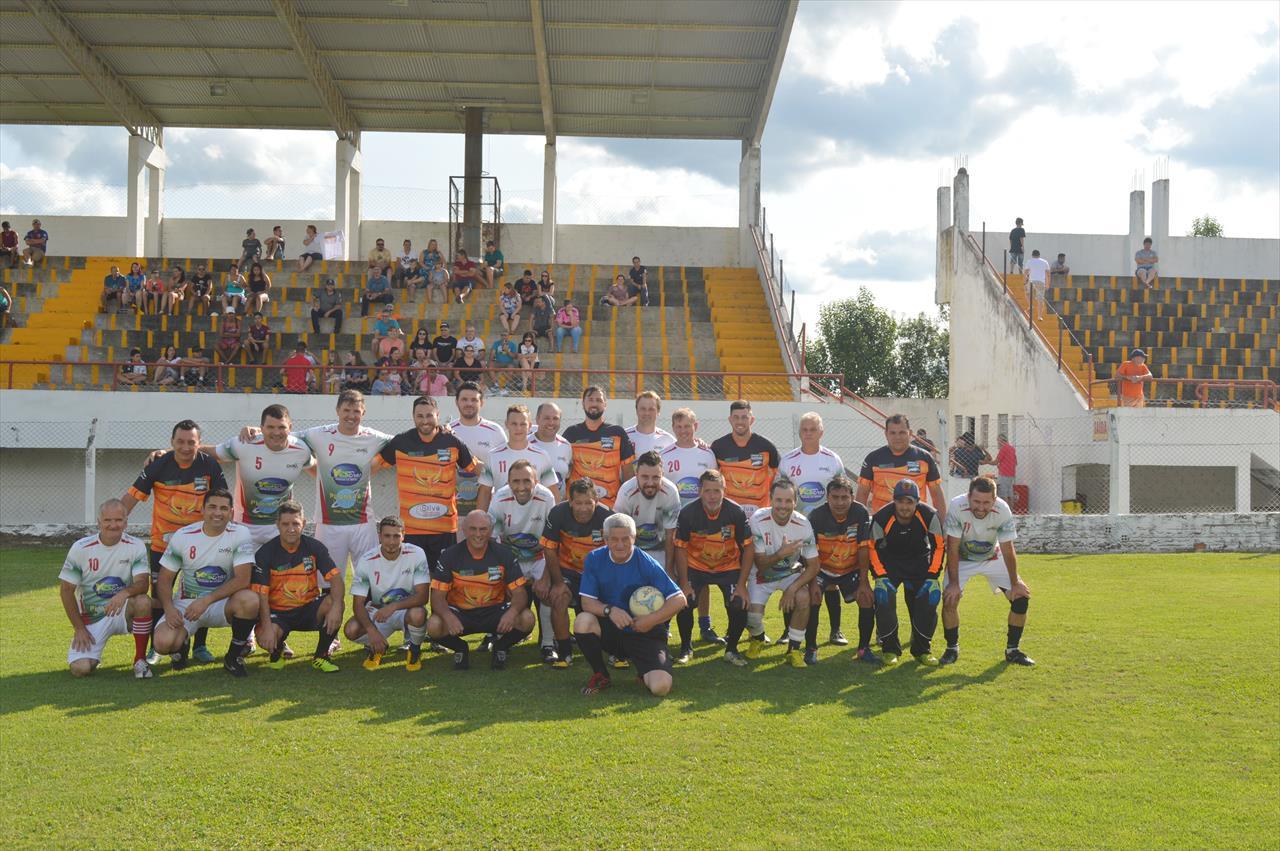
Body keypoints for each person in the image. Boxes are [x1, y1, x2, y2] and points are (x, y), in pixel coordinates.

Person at [121, 419, 229, 665]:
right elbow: (130, 498)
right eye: (180, 441)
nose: (185, 447)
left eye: (191, 442)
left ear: (199, 443)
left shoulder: (209, 465)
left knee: (202, 590)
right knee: (160, 595)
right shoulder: (158, 465)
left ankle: (199, 646)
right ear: (171, 442)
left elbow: (223, 501)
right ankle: (155, 648)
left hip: (201, 545)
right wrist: (111, 525)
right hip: (163, 544)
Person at [575, 513, 687, 696]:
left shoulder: (646, 563)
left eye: (625, 539)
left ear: (634, 538)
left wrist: (650, 620)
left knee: (661, 688)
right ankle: (601, 674)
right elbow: (587, 602)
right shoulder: (594, 559)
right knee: (583, 621)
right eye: (614, 539)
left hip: (644, 633)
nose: (620, 545)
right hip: (612, 630)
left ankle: (645, 672)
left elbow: (679, 599)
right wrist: (609, 610)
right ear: (605, 539)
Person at [153, 489, 260, 677]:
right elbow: (164, 578)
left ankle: (233, 657)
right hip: (187, 603)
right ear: (202, 510)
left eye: (223, 508)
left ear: (231, 513)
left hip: (221, 603)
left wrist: (207, 600)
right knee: (162, 643)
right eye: (212, 507)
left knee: (250, 600)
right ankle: (181, 646)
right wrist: (169, 609)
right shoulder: (183, 535)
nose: (217, 513)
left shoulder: (240, 533)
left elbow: (243, 579)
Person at [941, 476, 1035, 668]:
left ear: (994, 499)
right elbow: (952, 547)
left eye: (986, 502)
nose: (981, 507)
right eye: (976, 501)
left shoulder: (1002, 509)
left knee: (1021, 598)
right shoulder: (956, 506)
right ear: (969, 497)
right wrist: (954, 583)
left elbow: (1008, 548)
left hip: (993, 556)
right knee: (950, 598)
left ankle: (1013, 650)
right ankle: (952, 649)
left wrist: (1015, 582)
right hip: (962, 559)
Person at [377, 395, 475, 571]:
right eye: (420, 416)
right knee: (413, 582)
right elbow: (373, 466)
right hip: (412, 529)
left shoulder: (452, 441)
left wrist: (502, 469)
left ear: (437, 415)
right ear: (413, 417)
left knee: (442, 582)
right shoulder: (400, 442)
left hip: (444, 528)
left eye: (429, 415)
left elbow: (475, 468)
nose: (425, 421)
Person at [59, 499, 153, 678]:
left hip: (121, 611)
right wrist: (79, 628)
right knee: (81, 669)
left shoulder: (136, 545)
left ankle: (140, 660)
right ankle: (93, 654)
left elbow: (143, 583)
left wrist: (123, 593)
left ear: (126, 522)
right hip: (92, 618)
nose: (113, 525)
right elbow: (66, 590)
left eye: (118, 520)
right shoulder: (81, 548)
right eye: (108, 520)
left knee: (143, 601)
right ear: (99, 522)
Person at [428, 511, 533, 671]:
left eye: (483, 529)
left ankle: (501, 647)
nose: (478, 534)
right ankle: (460, 648)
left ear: (491, 530)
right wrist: (448, 616)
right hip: (461, 614)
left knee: (527, 618)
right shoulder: (449, 555)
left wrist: (511, 613)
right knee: (434, 625)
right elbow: (437, 596)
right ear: (464, 529)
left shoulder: (504, 553)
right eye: (473, 529)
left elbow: (520, 593)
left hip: (495, 612)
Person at [251, 501, 343, 673]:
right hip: (278, 613)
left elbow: (336, 579)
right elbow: (261, 595)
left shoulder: (314, 547)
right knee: (265, 637)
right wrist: (267, 626)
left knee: (333, 603)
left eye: (295, 523)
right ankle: (276, 652)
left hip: (308, 608)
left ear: (304, 524)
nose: (291, 529)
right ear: (278, 525)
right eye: (285, 524)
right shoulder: (265, 553)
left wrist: (337, 606)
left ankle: (321, 657)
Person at [672, 470, 753, 666]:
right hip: (696, 566)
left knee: (739, 602)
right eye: (708, 491)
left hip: (728, 566)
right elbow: (680, 549)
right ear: (700, 491)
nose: (712, 496)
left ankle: (731, 650)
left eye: (717, 490)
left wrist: (742, 585)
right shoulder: (688, 513)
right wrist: (684, 583)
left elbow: (748, 548)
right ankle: (685, 648)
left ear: (724, 491)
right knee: (685, 601)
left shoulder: (735, 512)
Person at [488, 460, 560, 664]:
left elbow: (553, 540)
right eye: (515, 481)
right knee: (501, 592)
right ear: (508, 482)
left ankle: (547, 643)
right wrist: (506, 576)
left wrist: (546, 577)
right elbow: (493, 540)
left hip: (540, 557)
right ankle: (503, 639)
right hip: (510, 558)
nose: (521, 487)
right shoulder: (500, 497)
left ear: (536, 481)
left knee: (548, 593)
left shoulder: (546, 497)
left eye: (526, 481)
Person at [214, 404, 314, 547]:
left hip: (280, 525)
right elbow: (210, 453)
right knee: (243, 569)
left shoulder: (301, 450)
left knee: (283, 569)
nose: (276, 432)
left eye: (281, 427)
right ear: (261, 428)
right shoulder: (244, 443)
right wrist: (171, 453)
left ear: (290, 428)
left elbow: (314, 466)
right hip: (245, 524)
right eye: (270, 427)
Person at [743, 480, 820, 667]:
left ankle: (794, 650)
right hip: (762, 576)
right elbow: (760, 564)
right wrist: (781, 554)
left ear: (795, 502)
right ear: (771, 500)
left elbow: (813, 565)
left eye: (788, 501)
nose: (783, 506)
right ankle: (758, 639)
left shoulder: (803, 524)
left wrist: (792, 589)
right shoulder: (757, 520)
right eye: (778, 500)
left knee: (803, 598)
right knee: (752, 615)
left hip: (789, 575)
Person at [868, 480, 945, 666]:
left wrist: (933, 576)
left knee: (931, 596)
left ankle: (922, 650)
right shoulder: (881, 517)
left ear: (917, 502)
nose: (905, 506)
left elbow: (939, 547)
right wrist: (880, 576)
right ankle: (890, 649)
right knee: (883, 595)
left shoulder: (929, 515)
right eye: (900, 501)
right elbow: (871, 548)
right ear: (894, 501)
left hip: (920, 562)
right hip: (890, 562)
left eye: (909, 502)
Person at [805, 475, 878, 662]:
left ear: (852, 498)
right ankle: (811, 648)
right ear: (827, 498)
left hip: (850, 569)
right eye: (835, 497)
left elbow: (863, 549)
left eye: (844, 497)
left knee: (866, 598)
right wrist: (812, 582)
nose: (840, 502)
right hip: (822, 569)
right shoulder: (816, 516)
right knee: (811, 598)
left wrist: (864, 582)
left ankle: (863, 649)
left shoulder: (860, 513)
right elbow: (810, 553)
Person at [541, 478, 613, 667]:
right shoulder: (557, 513)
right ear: (570, 501)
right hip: (568, 571)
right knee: (559, 597)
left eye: (588, 503)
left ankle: (616, 650)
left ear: (596, 501)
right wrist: (557, 583)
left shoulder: (607, 517)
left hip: (597, 574)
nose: (583, 508)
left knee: (614, 601)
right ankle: (565, 652)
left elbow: (616, 552)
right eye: (578, 503)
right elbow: (549, 549)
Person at [344, 517, 430, 670]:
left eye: (396, 536)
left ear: (403, 535)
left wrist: (393, 606)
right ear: (379, 536)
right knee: (351, 630)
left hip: (406, 611)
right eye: (387, 536)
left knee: (418, 614)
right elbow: (357, 604)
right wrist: (372, 632)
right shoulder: (367, 559)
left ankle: (414, 649)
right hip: (378, 611)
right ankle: (377, 646)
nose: (392, 541)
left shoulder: (417, 553)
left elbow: (423, 596)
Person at [855, 413, 947, 520]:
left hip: (918, 524)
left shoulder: (925, 458)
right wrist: (860, 524)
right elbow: (862, 494)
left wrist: (942, 524)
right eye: (892, 433)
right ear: (886, 434)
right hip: (882, 525)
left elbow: (936, 495)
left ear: (910, 433)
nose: (897, 437)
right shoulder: (873, 458)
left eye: (902, 432)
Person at [564, 385, 636, 509]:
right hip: (577, 506)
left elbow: (628, 473)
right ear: (583, 403)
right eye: (590, 399)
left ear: (605, 404)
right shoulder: (571, 433)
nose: (594, 403)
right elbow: (563, 468)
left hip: (609, 506)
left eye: (599, 400)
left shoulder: (617, 433)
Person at [477, 404, 560, 510]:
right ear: (506, 424)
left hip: (534, 522)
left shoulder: (541, 455)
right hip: (502, 520)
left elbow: (553, 492)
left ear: (529, 425)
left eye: (523, 424)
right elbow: (484, 492)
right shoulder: (493, 456)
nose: (518, 428)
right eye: (514, 424)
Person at [613, 450, 681, 577]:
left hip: (661, 550)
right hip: (634, 549)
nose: (650, 483)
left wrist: (668, 570)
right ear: (636, 474)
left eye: (656, 477)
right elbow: (620, 532)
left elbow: (670, 534)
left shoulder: (671, 491)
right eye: (645, 477)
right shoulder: (626, 491)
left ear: (663, 475)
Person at [447, 382, 509, 520]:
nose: (469, 403)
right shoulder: (447, 431)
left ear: (481, 403)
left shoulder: (495, 431)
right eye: (464, 399)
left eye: (474, 400)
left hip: (488, 505)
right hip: (454, 508)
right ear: (456, 402)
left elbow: (504, 468)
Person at [711, 400, 781, 511]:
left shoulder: (767, 446)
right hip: (729, 512)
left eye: (744, 417)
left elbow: (779, 477)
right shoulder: (718, 447)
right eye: (736, 417)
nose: (740, 422)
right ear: (730, 420)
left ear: (751, 420)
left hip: (760, 512)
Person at [780, 412, 846, 514]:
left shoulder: (833, 460)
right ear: (799, 433)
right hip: (796, 520)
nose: (808, 433)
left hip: (826, 521)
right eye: (804, 430)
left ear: (821, 432)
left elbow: (844, 491)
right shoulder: (787, 461)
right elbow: (779, 493)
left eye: (813, 429)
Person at [661, 407, 717, 507]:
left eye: (687, 426)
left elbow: (715, 485)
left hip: (702, 512)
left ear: (695, 426)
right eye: (679, 426)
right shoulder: (664, 456)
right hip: (674, 512)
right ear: (673, 428)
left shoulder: (708, 454)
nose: (683, 431)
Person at [529, 401, 574, 487]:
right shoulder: (525, 444)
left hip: (559, 500)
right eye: (547, 418)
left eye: (555, 418)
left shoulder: (566, 446)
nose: (551, 422)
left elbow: (568, 476)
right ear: (538, 419)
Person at [625, 390, 676, 457]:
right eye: (643, 409)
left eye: (651, 409)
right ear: (637, 410)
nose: (647, 413)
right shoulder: (625, 436)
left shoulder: (668, 440)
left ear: (658, 412)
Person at [1025, 249, 1051, 320]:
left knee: (1027, 294)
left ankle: (1031, 305)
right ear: (1039, 255)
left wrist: (1025, 281)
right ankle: (1039, 316)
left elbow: (1026, 272)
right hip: (1041, 282)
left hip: (1031, 281)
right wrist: (1048, 284)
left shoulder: (1029, 261)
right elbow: (1048, 274)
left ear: (1032, 255)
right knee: (1040, 300)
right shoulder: (1044, 262)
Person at [995, 434, 1018, 502]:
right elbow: (1015, 462)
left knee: (1003, 494)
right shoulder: (1012, 448)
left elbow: (996, 461)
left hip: (1004, 474)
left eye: (998, 440)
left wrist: (986, 462)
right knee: (1010, 494)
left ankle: (1005, 510)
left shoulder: (1003, 448)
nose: (997, 443)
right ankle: (1011, 511)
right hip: (1011, 474)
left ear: (1000, 440)